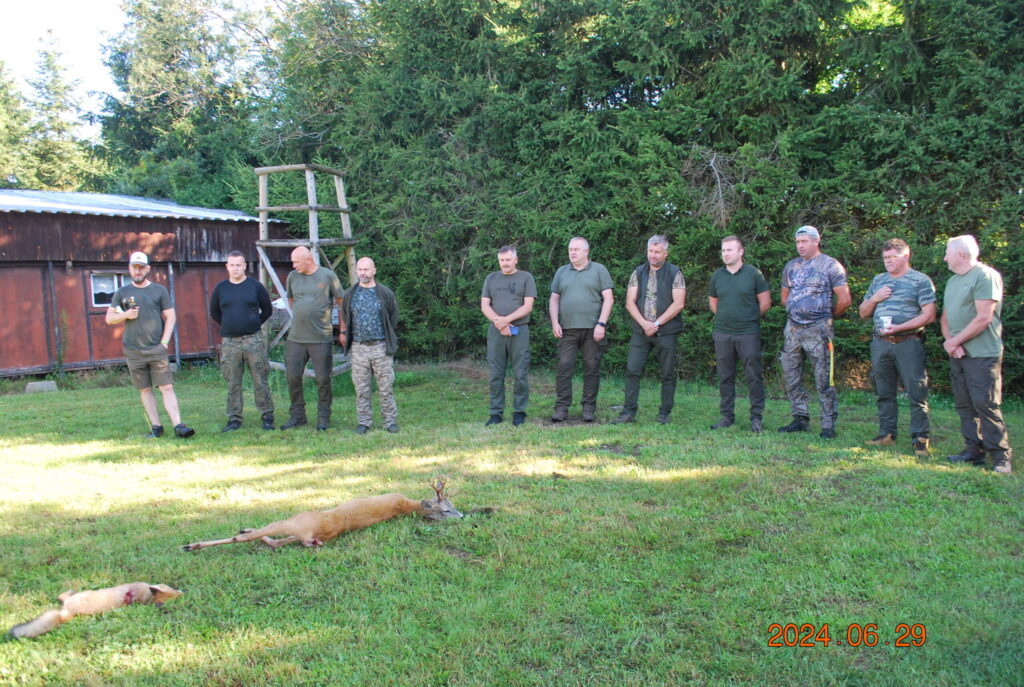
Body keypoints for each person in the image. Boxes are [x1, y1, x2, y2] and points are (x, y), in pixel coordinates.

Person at [941, 235, 1012, 474]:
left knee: (985, 404)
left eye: (947, 253)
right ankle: (973, 450)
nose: (945, 258)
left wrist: (955, 341)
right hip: (958, 353)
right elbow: (946, 317)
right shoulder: (952, 281)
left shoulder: (985, 276)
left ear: (960, 255)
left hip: (982, 353)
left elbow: (984, 318)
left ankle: (1001, 456)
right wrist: (951, 343)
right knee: (964, 404)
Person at [858, 239, 936, 456]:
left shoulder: (920, 280)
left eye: (893, 257)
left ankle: (920, 438)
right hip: (881, 344)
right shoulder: (878, 280)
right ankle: (887, 434)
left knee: (916, 392)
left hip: (908, 342)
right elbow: (863, 312)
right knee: (884, 392)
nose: (888, 261)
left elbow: (929, 315)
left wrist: (900, 327)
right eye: (885, 258)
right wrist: (875, 298)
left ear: (906, 256)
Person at [105, 251, 195, 439]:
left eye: (141, 268)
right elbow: (109, 318)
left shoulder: (159, 290)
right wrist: (125, 315)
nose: (137, 271)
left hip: (156, 348)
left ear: (148, 269)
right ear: (130, 268)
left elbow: (171, 316)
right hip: (133, 350)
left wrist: (164, 342)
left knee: (166, 387)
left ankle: (179, 426)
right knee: (145, 389)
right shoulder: (122, 292)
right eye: (134, 267)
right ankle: (156, 427)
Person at [778, 225, 852, 438]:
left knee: (824, 378)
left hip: (818, 331)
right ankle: (800, 418)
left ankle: (827, 424)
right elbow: (785, 296)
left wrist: (826, 317)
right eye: (798, 242)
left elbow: (845, 299)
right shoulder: (791, 266)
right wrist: (795, 310)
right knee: (791, 374)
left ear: (816, 241)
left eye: (804, 241)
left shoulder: (830, 265)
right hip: (793, 329)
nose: (800, 246)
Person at [613, 235, 685, 424]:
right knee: (632, 370)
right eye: (650, 251)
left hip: (666, 332)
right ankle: (628, 412)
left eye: (657, 252)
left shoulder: (675, 273)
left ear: (665, 253)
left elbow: (678, 304)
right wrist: (644, 324)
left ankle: (664, 414)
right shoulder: (638, 272)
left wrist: (656, 324)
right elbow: (629, 302)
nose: (653, 255)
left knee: (667, 373)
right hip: (641, 331)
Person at [708, 235, 771, 432]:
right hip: (723, 333)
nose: (726, 254)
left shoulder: (753, 274)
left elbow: (765, 303)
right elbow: (713, 302)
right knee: (725, 375)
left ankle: (756, 417)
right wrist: (726, 318)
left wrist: (748, 318)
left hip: (748, 333)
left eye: (730, 250)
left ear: (740, 251)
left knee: (753, 375)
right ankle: (727, 416)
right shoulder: (717, 276)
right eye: (723, 250)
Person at [549, 237, 614, 423]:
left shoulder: (599, 270)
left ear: (586, 251)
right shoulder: (562, 271)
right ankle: (562, 408)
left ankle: (588, 408)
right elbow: (554, 299)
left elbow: (609, 298)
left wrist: (601, 324)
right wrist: (555, 322)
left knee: (592, 367)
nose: (573, 252)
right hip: (567, 329)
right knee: (564, 366)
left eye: (576, 249)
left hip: (593, 329)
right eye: (570, 249)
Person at [210, 250, 276, 432]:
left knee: (260, 379)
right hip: (230, 342)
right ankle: (234, 419)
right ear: (227, 267)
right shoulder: (221, 288)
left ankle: (267, 416)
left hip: (253, 340)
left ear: (244, 266)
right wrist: (230, 326)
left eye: (238, 265)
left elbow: (267, 310)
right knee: (233, 382)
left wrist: (254, 324)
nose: (235, 268)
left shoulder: (255, 286)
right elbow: (214, 312)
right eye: (232, 265)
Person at [283, 246, 343, 431]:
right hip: (296, 338)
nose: (293, 265)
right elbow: (291, 301)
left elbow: (342, 303)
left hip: (320, 338)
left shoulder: (328, 276)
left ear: (308, 259)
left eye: (296, 262)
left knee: (323, 379)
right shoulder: (292, 277)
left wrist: (343, 330)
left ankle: (323, 417)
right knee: (293, 376)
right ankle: (297, 416)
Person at [340, 256, 400, 434]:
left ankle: (390, 421)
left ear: (374, 271)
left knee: (386, 387)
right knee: (361, 388)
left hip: (381, 346)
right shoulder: (350, 294)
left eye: (366, 269)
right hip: (359, 347)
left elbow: (393, 317)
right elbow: (345, 315)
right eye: (360, 269)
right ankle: (364, 422)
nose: (363, 273)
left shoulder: (385, 293)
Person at [481, 246, 537, 426]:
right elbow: (485, 305)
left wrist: (506, 321)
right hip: (496, 332)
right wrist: (498, 322)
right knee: (495, 374)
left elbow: (528, 306)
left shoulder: (526, 278)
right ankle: (495, 413)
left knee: (520, 373)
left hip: (519, 330)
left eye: (508, 260)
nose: (505, 263)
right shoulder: (491, 278)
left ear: (516, 260)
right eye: (502, 260)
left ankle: (519, 412)